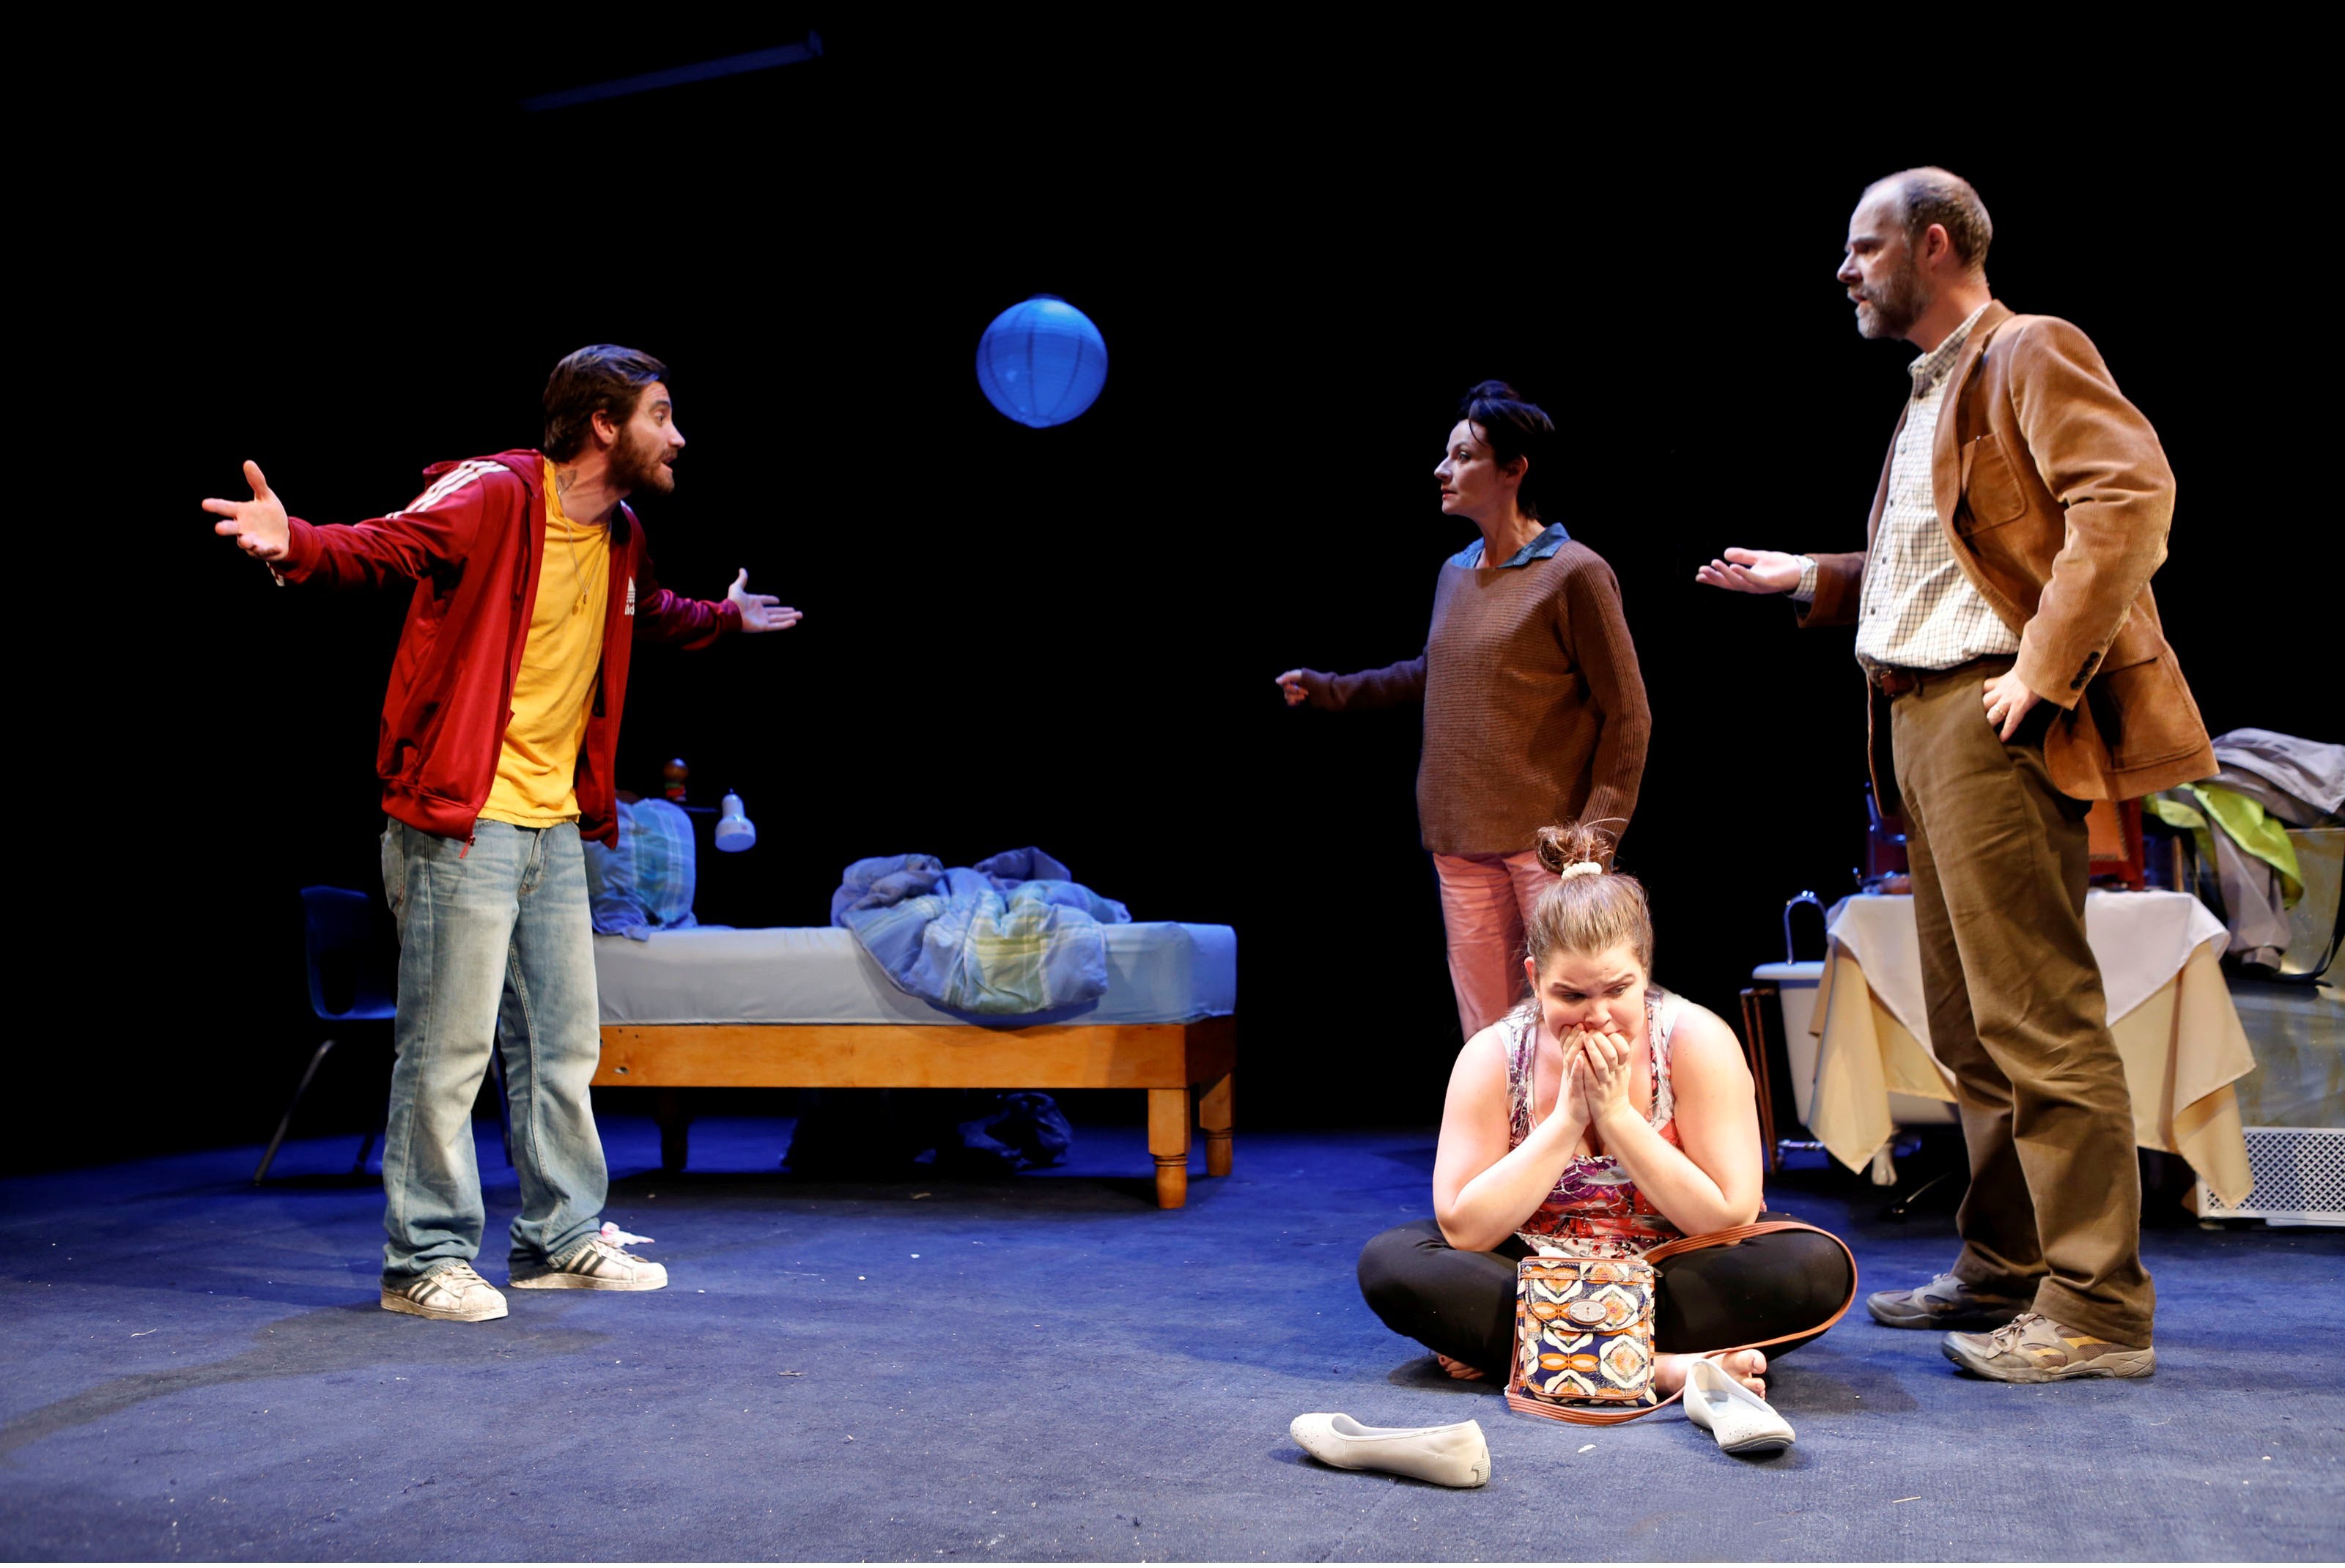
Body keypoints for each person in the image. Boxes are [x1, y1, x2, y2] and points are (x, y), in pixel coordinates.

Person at [1696, 168, 2214, 1383]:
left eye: (1864, 246)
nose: (1845, 269)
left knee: (2037, 1016)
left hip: (1992, 718)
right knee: (1972, 1026)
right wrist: (1815, 579)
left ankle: (2098, 1310)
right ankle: (2006, 1265)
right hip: (1916, 719)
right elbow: (1947, 565)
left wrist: (2043, 667)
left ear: (1934, 246)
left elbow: (2129, 497)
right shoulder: (1932, 390)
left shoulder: (2029, 348)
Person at [204, 345, 802, 1323]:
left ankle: (559, 1240)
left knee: (561, 1046)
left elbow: (647, 612)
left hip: (553, 825)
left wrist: (724, 622)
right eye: (660, 414)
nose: (678, 436)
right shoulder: (494, 493)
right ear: (604, 423)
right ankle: (423, 1260)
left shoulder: (621, 534)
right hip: (460, 819)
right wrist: (294, 543)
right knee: (447, 1052)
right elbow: (383, 547)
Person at [1356, 824, 1853, 1399]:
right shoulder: (1492, 1057)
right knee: (1393, 1262)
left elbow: (1727, 1219)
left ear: (1645, 970)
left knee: (1815, 1268)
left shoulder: (1697, 1041)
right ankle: (1666, 1369)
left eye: (1618, 990)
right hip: (1530, 1269)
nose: (1597, 1016)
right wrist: (1567, 1120)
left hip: (1670, 1273)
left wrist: (1617, 1118)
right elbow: (1465, 1229)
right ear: (1535, 979)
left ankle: (1531, 1353)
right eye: (1571, 996)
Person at [1276, 383, 1651, 1041]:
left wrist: (1593, 842)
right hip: (1458, 836)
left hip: (1551, 850)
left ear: (1513, 471)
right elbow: (1437, 673)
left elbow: (1628, 713)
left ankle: (1591, 1118)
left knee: (1576, 1021)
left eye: (1463, 456)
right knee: (1490, 1034)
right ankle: (1502, 1117)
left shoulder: (1574, 572)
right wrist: (1332, 689)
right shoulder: (1456, 573)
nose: (1441, 470)